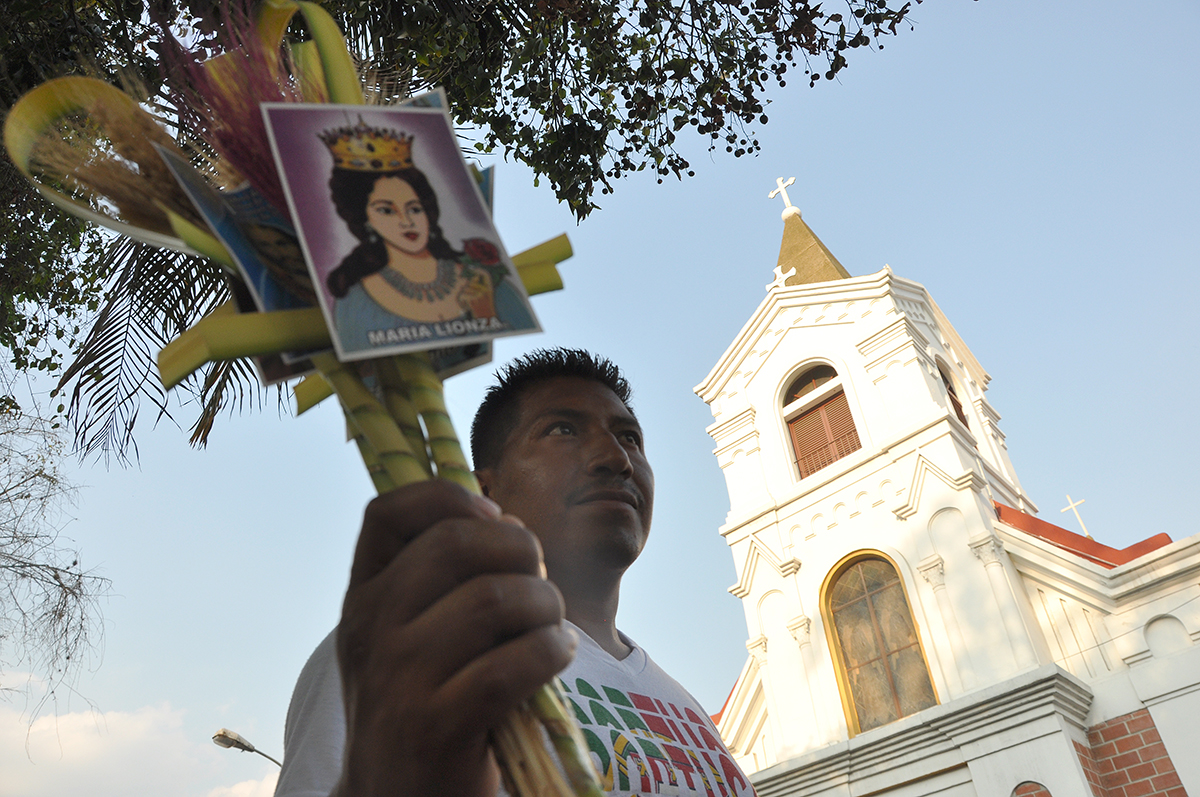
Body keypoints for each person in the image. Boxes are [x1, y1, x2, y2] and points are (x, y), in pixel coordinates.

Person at [274, 349, 755, 797]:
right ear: (481, 489)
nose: (617, 459)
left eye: (630, 437)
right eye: (562, 429)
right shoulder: (404, 655)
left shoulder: (689, 710)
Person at [319, 121, 533, 352]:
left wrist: (487, 317)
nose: (407, 221)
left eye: (414, 208)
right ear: (365, 220)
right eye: (386, 210)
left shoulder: (482, 281)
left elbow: (524, 352)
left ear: (428, 212)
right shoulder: (356, 301)